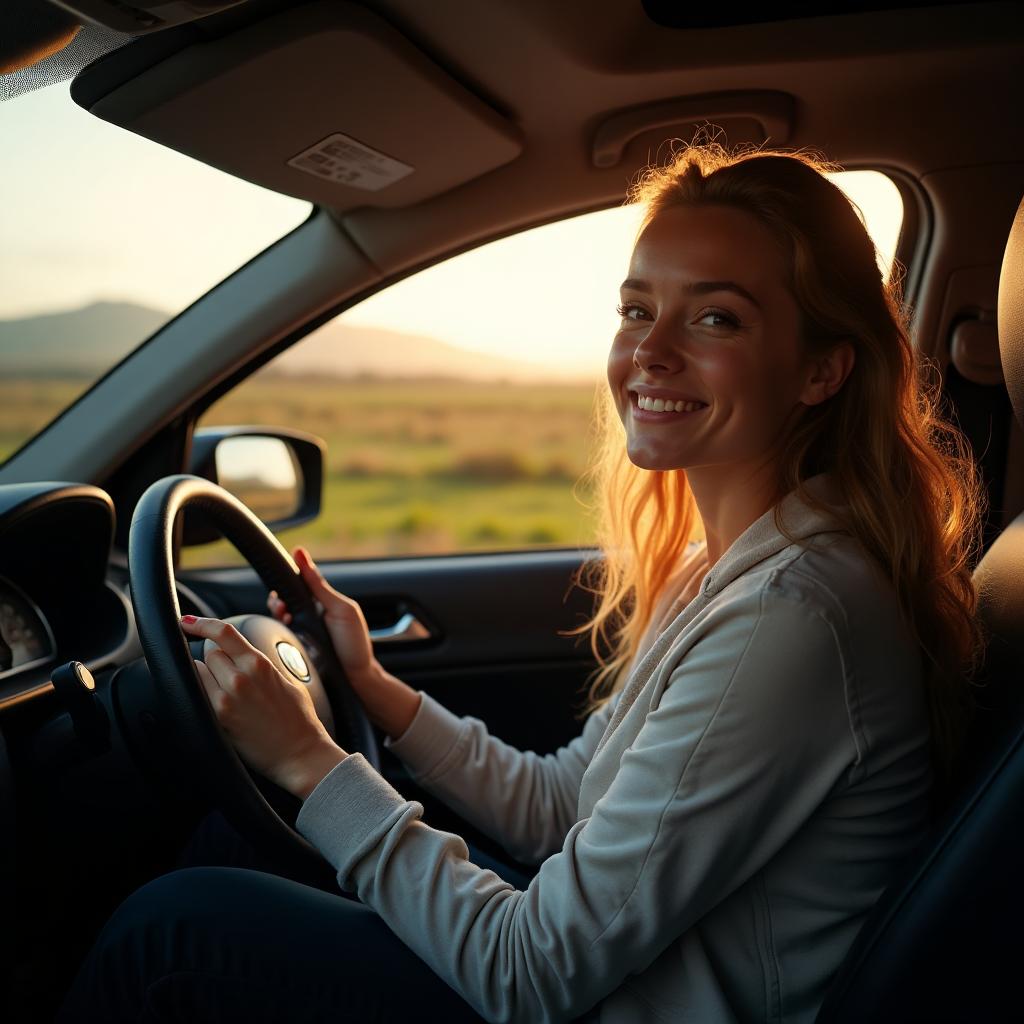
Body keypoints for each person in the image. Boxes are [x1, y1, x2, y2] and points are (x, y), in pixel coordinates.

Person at [58, 142, 984, 1023]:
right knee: (235, 847)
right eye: (635, 309)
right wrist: (375, 693)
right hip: (612, 985)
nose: (650, 351)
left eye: (715, 317)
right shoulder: (733, 569)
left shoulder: (791, 616)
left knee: (169, 936)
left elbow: (530, 973)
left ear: (820, 370)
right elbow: (563, 807)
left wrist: (308, 757)